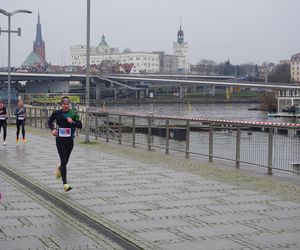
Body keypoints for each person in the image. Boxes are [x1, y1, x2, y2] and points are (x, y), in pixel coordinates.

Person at [48, 96, 82, 192]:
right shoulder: (57, 113)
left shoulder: (73, 113)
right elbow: (50, 122)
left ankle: (60, 168)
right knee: (63, 160)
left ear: (69, 104)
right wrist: (53, 129)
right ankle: (65, 184)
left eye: (67, 104)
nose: (66, 106)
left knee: (65, 161)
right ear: (61, 104)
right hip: (60, 140)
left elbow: (80, 125)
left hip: (70, 140)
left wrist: (73, 122)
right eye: (64, 104)